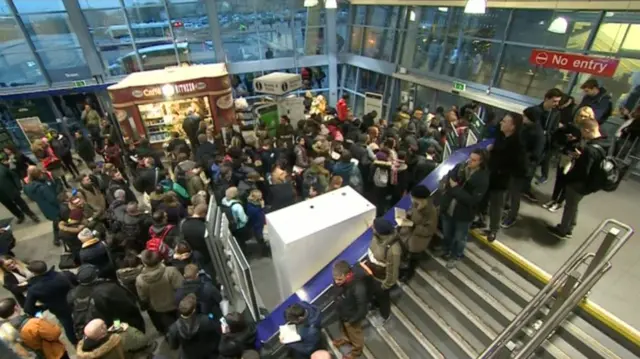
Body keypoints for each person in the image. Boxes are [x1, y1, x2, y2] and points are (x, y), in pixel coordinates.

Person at [548, 117, 609, 239]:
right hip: (591, 183)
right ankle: (570, 227)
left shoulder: (589, 150)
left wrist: (570, 175)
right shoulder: (605, 144)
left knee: (570, 206)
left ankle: (563, 229)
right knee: (574, 205)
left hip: (579, 184)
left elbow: (582, 171)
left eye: (582, 132)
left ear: (587, 130)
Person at [439, 149, 489, 268]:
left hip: (463, 214)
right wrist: (455, 189)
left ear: (481, 162)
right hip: (448, 207)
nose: (469, 162)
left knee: (459, 238)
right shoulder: (460, 167)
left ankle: (456, 256)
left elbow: (472, 200)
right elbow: (449, 179)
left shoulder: (482, 178)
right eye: (470, 158)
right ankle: (446, 250)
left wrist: (456, 188)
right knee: (447, 233)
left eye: (473, 160)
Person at [67, 264, 144, 337]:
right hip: (115, 321)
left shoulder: (72, 294)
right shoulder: (109, 289)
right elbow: (128, 305)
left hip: (95, 329)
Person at [544, 106, 594, 212]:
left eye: (586, 116)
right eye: (581, 115)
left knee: (567, 181)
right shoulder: (571, 126)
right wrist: (566, 139)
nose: (582, 118)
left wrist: (577, 141)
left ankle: (559, 202)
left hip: (577, 159)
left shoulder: (589, 130)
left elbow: (587, 146)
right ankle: (553, 199)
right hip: (565, 154)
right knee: (559, 179)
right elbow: (559, 137)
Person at [501, 107, 544, 227]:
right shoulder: (525, 128)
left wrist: (520, 152)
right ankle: (506, 207)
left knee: (515, 193)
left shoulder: (538, 134)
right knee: (509, 188)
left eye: (525, 116)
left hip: (522, 168)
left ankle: (511, 216)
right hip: (514, 165)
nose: (523, 118)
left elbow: (536, 155)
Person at [485, 113, 526, 241]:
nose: (501, 122)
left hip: (501, 179)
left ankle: (493, 229)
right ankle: (481, 220)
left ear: (513, 126)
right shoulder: (501, 137)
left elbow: (520, 167)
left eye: (505, 121)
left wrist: (502, 171)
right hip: (490, 174)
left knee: (496, 205)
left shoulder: (517, 145)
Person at [23, 261, 77, 345]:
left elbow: (28, 309)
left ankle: (76, 344)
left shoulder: (34, 289)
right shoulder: (64, 275)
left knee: (69, 328)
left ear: (33, 273)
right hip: (75, 302)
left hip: (59, 310)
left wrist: (44, 307)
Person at [0, 297, 69, 359]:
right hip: (54, 354)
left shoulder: (5, 331)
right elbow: (55, 334)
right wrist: (45, 322)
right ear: (16, 308)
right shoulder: (34, 323)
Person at [136, 250, 184, 335]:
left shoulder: (140, 280)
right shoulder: (170, 271)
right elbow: (181, 287)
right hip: (177, 304)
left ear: (144, 263)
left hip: (159, 308)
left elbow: (143, 297)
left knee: (170, 328)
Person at [363, 218, 401, 324]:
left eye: (373, 226)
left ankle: (385, 315)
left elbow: (392, 271)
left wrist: (386, 285)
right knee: (373, 292)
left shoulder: (393, 250)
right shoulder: (377, 237)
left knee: (383, 298)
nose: (371, 226)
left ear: (379, 231)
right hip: (372, 271)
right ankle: (375, 304)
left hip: (381, 278)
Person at [398, 185, 437, 281]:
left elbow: (429, 230)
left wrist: (414, 226)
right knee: (403, 252)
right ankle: (402, 268)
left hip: (418, 239)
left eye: (413, 198)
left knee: (413, 258)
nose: (411, 200)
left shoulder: (431, 212)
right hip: (408, 234)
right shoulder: (416, 204)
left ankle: (409, 273)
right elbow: (413, 212)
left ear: (421, 200)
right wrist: (407, 215)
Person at [331, 260, 368, 359]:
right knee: (343, 328)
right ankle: (346, 339)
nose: (336, 282)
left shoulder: (358, 287)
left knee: (356, 337)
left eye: (339, 279)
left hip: (352, 317)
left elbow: (363, 309)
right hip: (342, 312)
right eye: (335, 279)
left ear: (347, 275)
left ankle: (356, 352)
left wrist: (353, 320)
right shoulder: (338, 280)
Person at [168, 294, 221, 359]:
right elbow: (216, 334)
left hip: (189, 356)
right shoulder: (206, 320)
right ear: (194, 310)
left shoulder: (173, 329)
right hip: (208, 353)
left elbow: (174, 346)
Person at [76, 319, 152, 359]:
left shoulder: (82, 354)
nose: (106, 325)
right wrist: (127, 329)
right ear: (102, 331)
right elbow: (143, 340)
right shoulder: (120, 339)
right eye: (103, 325)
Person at [23, 166, 61, 246]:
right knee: (59, 221)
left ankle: (56, 239)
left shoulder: (28, 187)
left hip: (44, 208)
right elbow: (52, 199)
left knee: (56, 221)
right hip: (54, 207)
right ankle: (57, 238)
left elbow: (31, 198)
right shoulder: (42, 187)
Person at [533, 89, 562, 184]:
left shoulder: (556, 113)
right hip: (534, 141)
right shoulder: (536, 110)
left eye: (558, 101)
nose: (556, 104)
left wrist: (548, 133)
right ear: (546, 99)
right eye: (554, 101)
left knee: (545, 159)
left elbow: (555, 128)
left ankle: (544, 176)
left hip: (547, 142)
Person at [0, 154, 39, 224]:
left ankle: (32, 215)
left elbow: (14, 175)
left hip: (11, 190)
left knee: (22, 204)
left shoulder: (1, 168)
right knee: (11, 207)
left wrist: (18, 186)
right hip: (2, 196)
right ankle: (20, 216)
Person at [221, 187, 251, 252]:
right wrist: (247, 218)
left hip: (230, 226)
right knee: (241, 241)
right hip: (239, 227)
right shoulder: (237, 206)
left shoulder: (223, 201)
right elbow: (243, 219)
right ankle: (244, 251)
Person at [245, 189, 268, 256]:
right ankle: (265, 253)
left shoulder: (250, 204)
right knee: (262, 241)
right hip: (258, 227)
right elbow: (262, 215)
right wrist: (263, 207)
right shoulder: (254, 209)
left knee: (261, 240)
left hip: (256, 226)